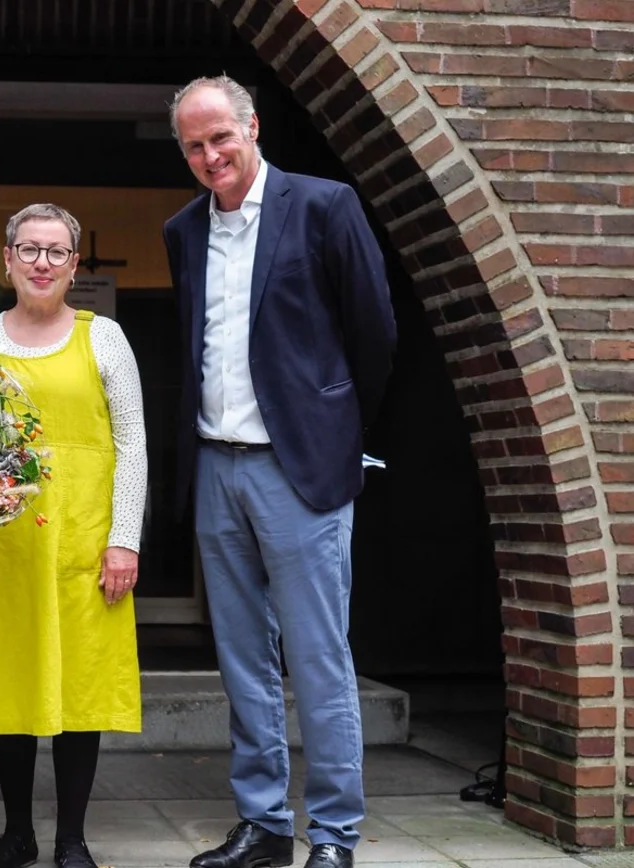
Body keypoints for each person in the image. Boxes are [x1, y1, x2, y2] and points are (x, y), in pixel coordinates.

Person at [163, 76, 397, 868]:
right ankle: (264, 826)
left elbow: (374, 332)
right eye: (194, 146)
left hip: (300, 472)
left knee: (318, 656)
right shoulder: (182, 230)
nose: (210, 156)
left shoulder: (325, 207)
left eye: (220, 138)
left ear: (252, 127)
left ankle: (332, 835)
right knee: (242, 660)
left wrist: (334, 433)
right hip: (216, 465)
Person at [0, 204, 148, 868]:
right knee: (9, 684)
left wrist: (125, 539)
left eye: (56, 252)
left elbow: (133, 446)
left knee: (79, 686)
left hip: (84, 543)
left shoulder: (104, 337)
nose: (41, 263)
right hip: (2, 546)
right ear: (6, 259)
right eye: (29, 249)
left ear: (73, 265)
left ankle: (71, 839)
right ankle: (17, 834)